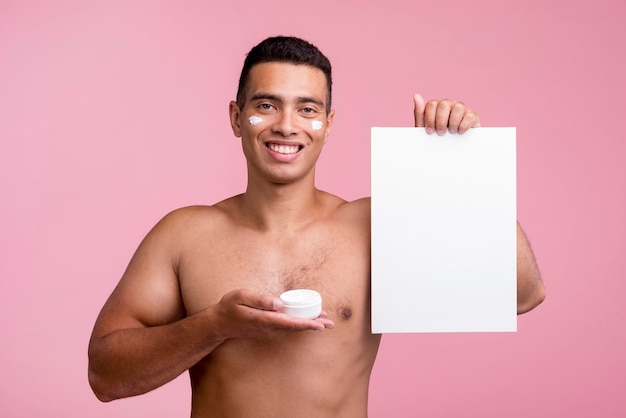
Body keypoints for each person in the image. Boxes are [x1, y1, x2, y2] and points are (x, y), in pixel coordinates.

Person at [88, 36, 545, 417]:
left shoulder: (376, 224)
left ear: (328, 124)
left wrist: (462, 164)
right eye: (266, 105)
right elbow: (105, 377)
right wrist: (213, 325)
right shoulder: (183, 235)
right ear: (235, 117)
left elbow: (522, 293)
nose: (287, 125)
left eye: (307, 109)